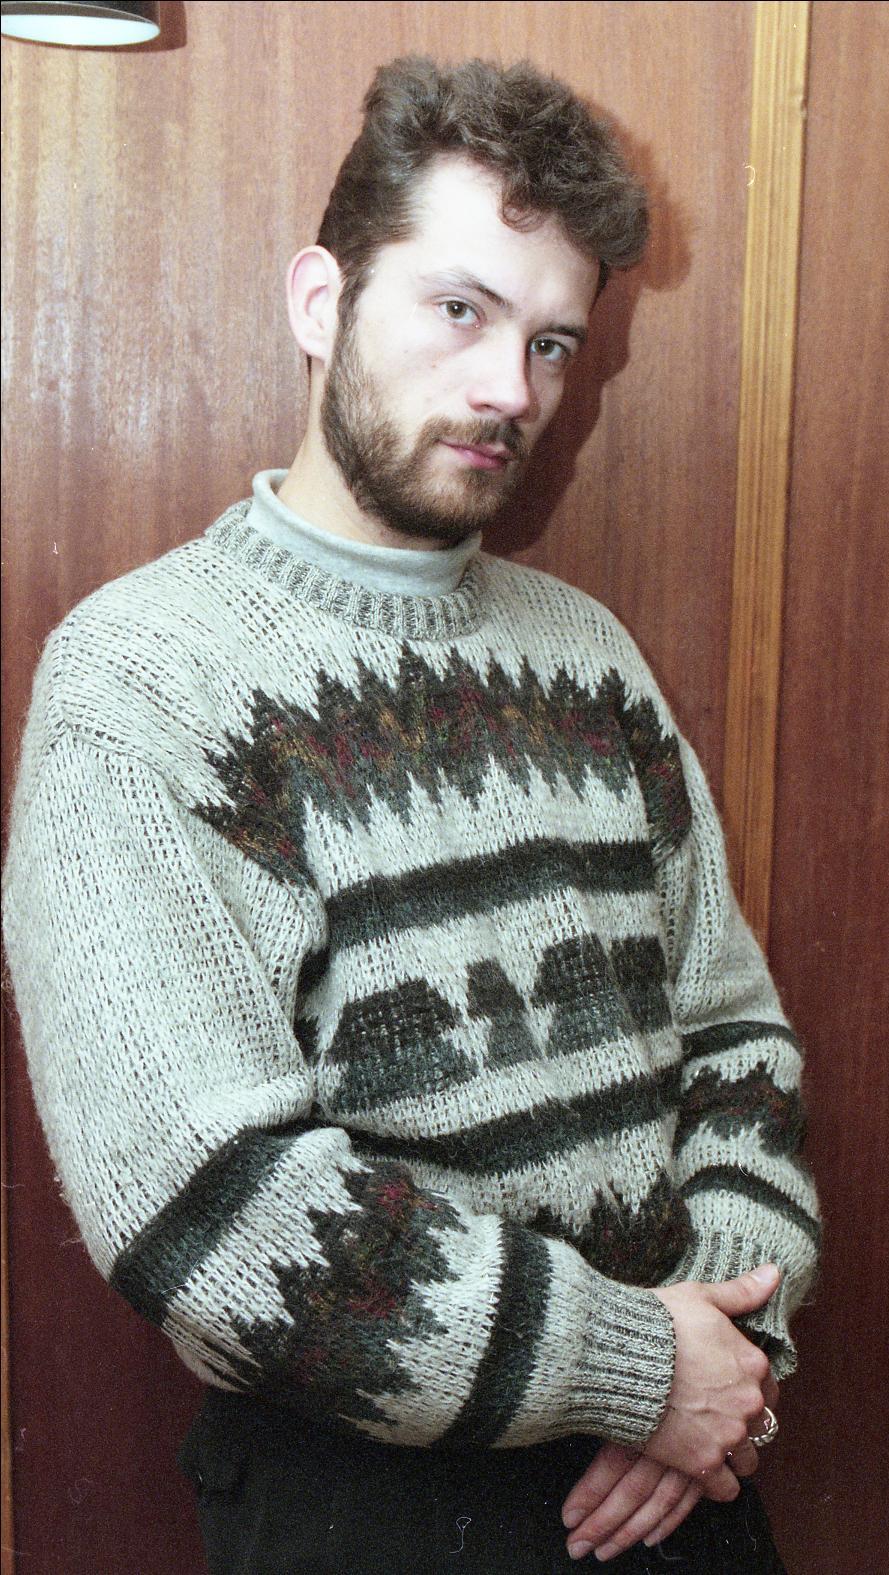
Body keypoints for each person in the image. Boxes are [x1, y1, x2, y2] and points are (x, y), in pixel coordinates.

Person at [3, 56, 820, 1574]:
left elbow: (735, 1039)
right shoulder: (142, 681)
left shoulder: (589, 655)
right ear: (321, 301)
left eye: (552, 342)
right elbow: (203, 1205)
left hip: (683, 1479)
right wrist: (641, 1368)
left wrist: (728, 1346)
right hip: (369, 1506)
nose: (512, 389)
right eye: (460, 309)